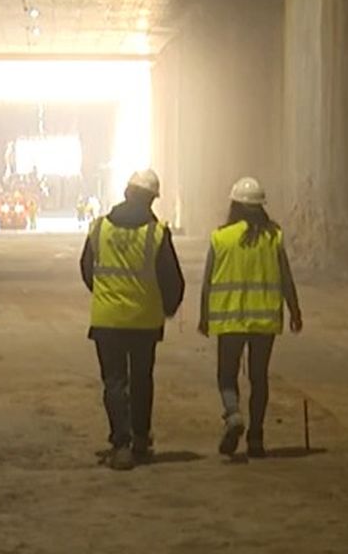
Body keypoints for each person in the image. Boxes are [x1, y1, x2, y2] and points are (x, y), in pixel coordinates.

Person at [80, 169, 184, 471]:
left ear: (126, 193)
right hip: (144, 321)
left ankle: (121, 444)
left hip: (107, 320)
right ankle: (140, 438)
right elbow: (172, 279)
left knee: (114, 382)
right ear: (152, 199)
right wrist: (167, 307)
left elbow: (87, 269)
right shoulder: (156, 233)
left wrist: (104, 295)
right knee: (142, 379)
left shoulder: (99, 229)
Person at [198, 177, 303, 459]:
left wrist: (203, 315)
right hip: (264, 320)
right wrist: (295, 310)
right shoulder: (273, 237)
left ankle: (233, 415)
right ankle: (256, 438)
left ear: (234, 205)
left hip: (229, 320)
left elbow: (208, 281)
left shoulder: (221, 237)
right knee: (259, 378)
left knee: (227, 375)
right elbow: (286, 278)